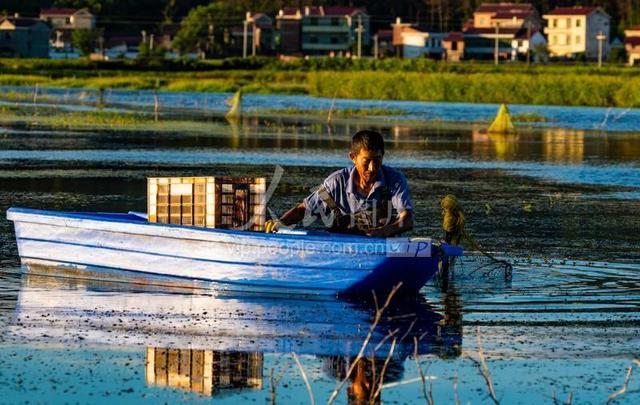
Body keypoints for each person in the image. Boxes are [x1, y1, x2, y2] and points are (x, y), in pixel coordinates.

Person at [265, 129, 413, 237]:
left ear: (383, 156)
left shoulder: (395, 179)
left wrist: (383, 231)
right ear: (353, 157)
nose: (372, 167)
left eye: (377, 159)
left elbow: (407, 220)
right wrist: (279, 223)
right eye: (367, 161)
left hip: (380, 249)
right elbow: (304, 210)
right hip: (341, 249)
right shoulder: (335, 182)